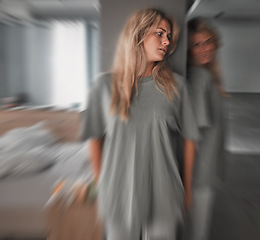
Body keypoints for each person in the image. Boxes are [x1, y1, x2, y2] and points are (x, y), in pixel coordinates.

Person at [81, 8, 198, 240]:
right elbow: (94, 137)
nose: (167, 41)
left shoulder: (177, 87)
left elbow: (190, 139)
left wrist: (186, 190)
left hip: (164, 194)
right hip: (117, 195)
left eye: (169, 36)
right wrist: (102, 184)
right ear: (138, 35)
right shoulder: (104, 87)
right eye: (160, 33)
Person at [187, 18, 227, 240]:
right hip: (200, 175)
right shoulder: (201, 78)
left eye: (207, 41)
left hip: (204, 170)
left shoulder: (208, 75)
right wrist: (188, 183)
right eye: (196, 44)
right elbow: (192, 137)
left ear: (215, 42)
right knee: (198, 233)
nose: (204, 49)